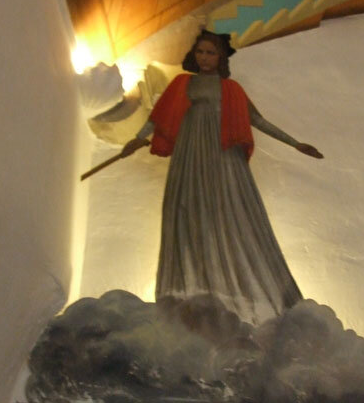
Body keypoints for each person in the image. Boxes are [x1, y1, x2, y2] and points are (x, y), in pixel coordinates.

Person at [120, 30, 323, 325]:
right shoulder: (182, 83)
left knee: (229, 211)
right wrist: (137, 139)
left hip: (223, 154)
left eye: (211, 53)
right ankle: (190, 290)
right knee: (187, 213)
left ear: (220, 58)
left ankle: (235, 293)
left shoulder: (231, 89)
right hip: (190, 154)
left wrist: (295, 143)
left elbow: (258, 120)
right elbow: (158, 117)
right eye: (201, 52)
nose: (205, 58)